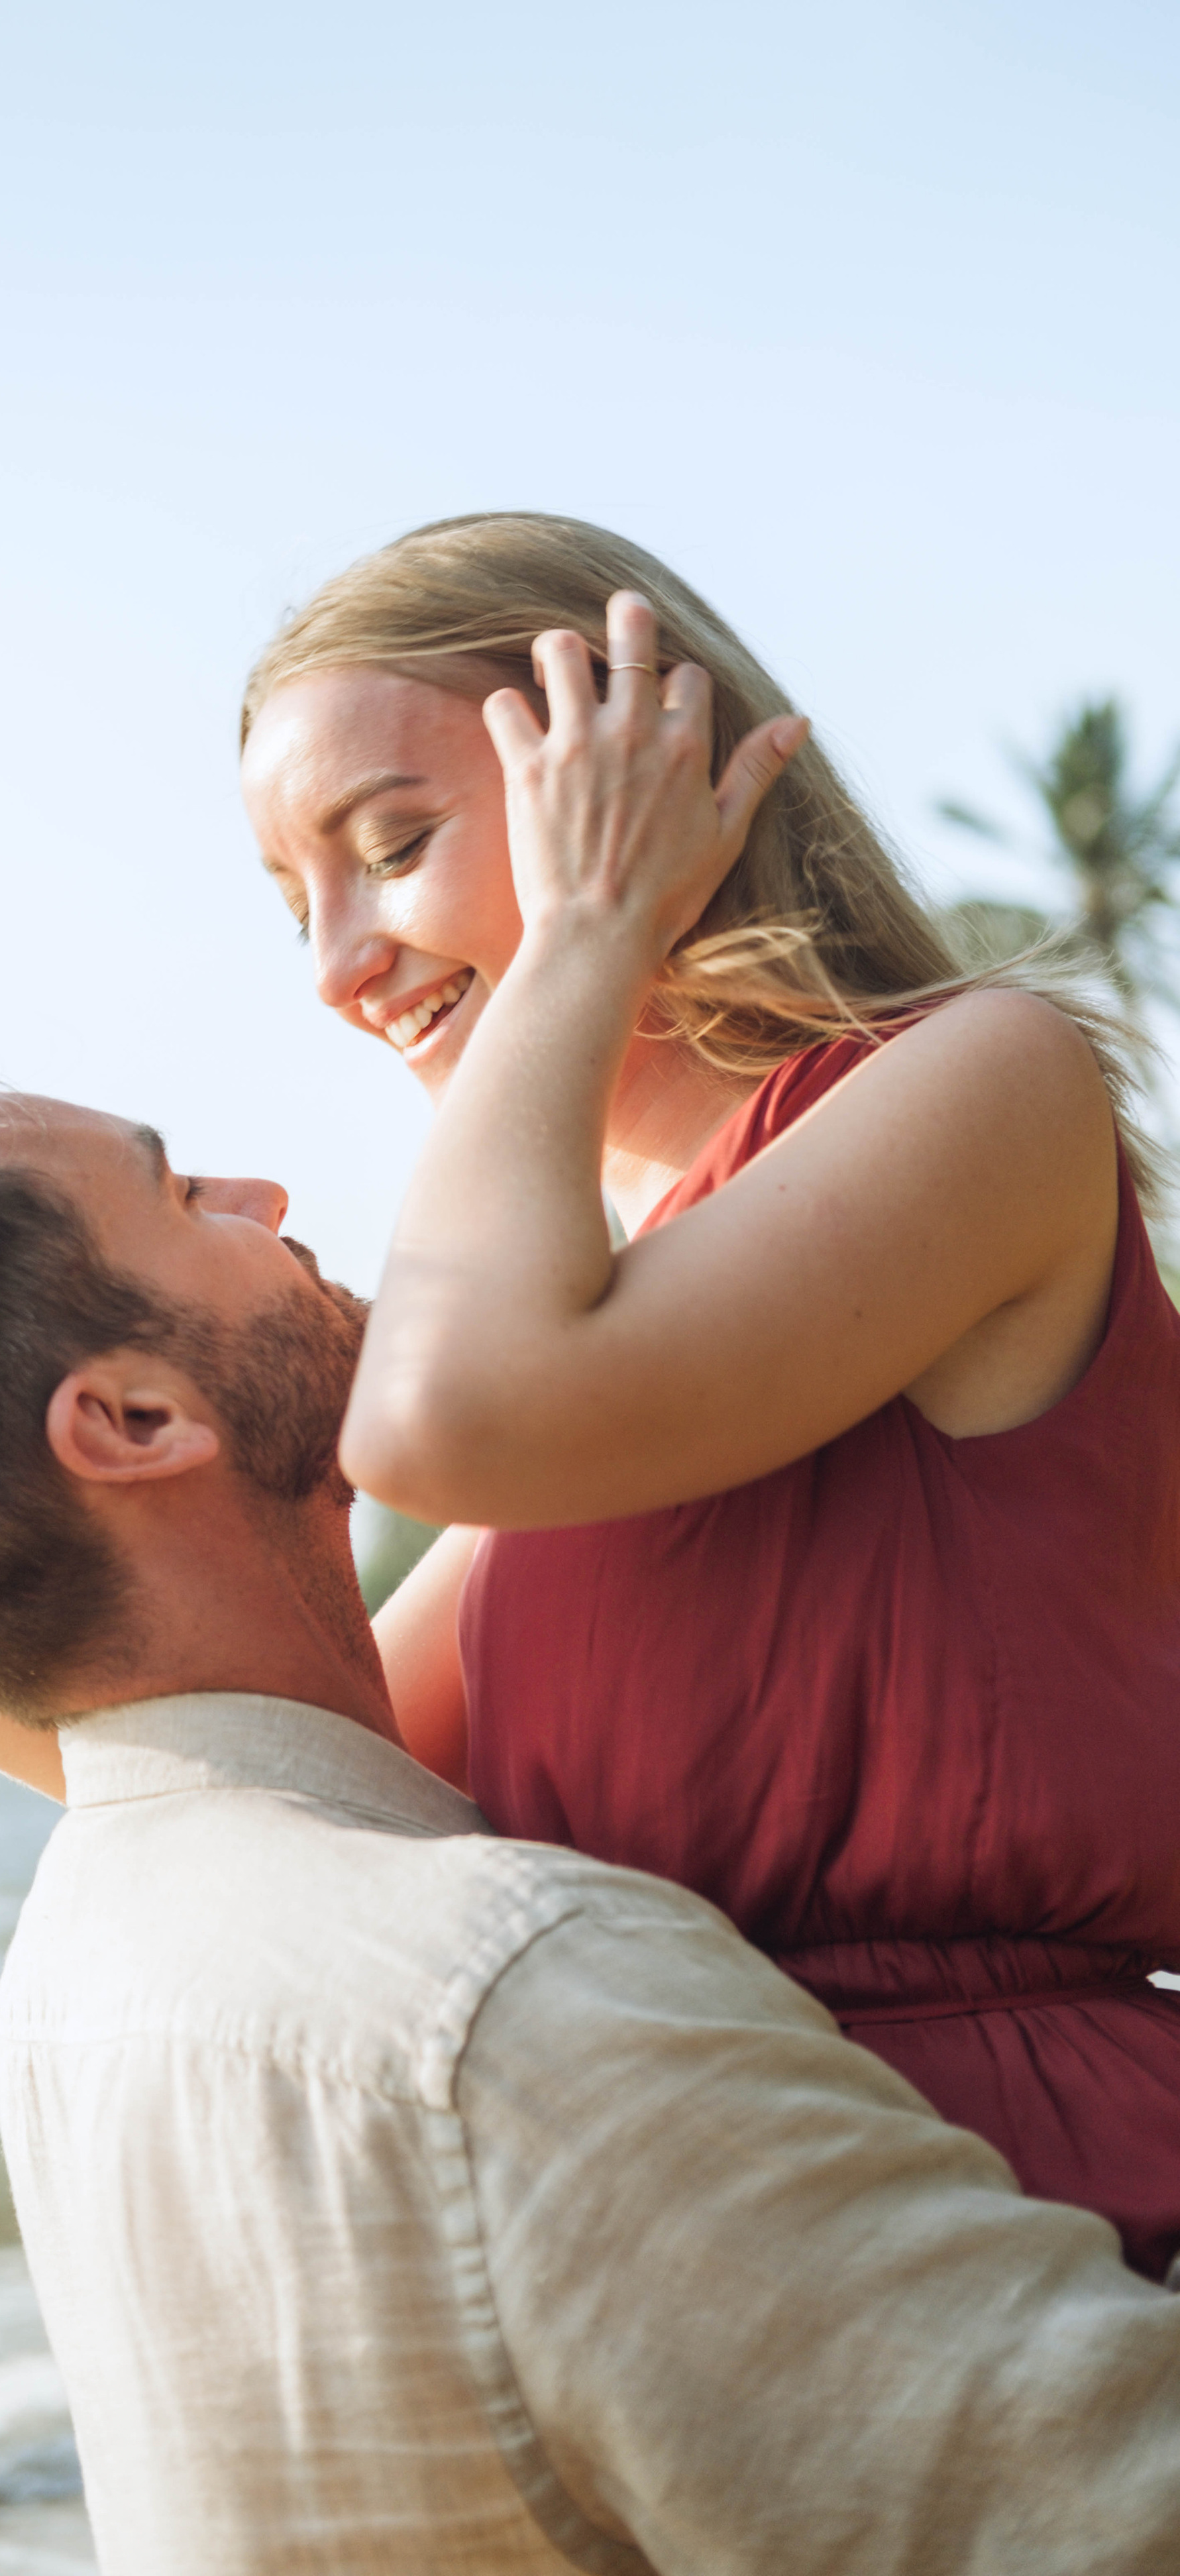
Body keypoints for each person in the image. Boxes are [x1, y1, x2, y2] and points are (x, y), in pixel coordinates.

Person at [0, 1068, 1180, 2575]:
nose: (269, 1197)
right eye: (186, 1196)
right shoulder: (515, 1997)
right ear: (128, 1416)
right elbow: (1114, 2501)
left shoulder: (76, 1966)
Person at [239, 511, 1180, 2282]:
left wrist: (593, 929)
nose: (337, 965)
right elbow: (292, 1776)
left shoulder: (985, 1082)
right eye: (300, 903)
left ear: (639, 768)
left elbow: (434, 1423)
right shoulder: (615, 1331)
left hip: (1028, 2263)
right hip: (716, 2261)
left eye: (393, 844)